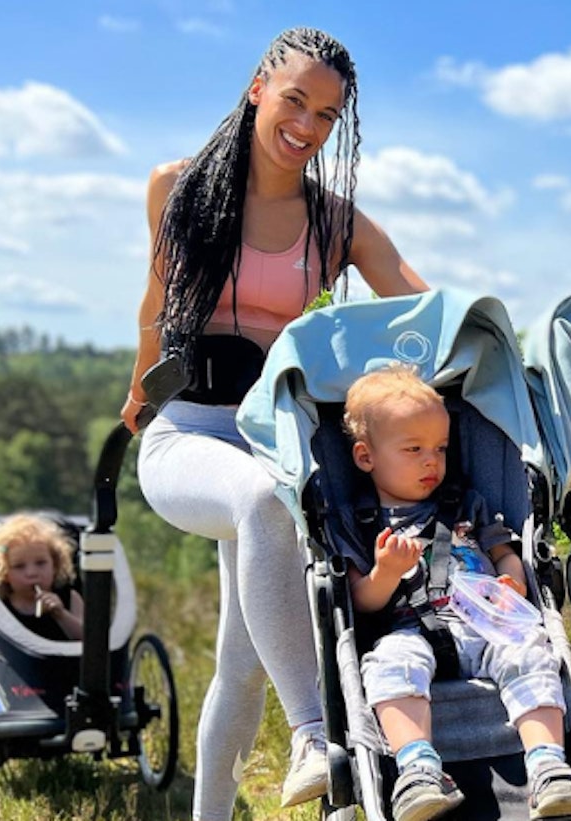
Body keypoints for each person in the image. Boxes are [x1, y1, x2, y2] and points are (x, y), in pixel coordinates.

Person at [120, 28, 429, 820]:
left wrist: (487, 353)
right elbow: (155, 307)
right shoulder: (177, 186)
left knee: (245, 659)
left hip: (272, 441)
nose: (308, 126)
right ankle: (315, 732)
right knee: (262, 503)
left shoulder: (336, 222)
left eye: (327, 115)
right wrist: (135, 397)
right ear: (259, 86)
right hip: (186, 434)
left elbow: (423, 307)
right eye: (295, 100)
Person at [340, 364, 571, 821]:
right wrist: (385, 573)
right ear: (365, 457)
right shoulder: (360, 520)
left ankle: (548, 765)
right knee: (386, 665)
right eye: (413, 449)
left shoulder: (467, 502)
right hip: (408, 629)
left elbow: (503, 552)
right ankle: (417, 768)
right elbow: (361, 602)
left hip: (487, 623)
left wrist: (511, 581)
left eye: (439, 448)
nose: (431, 461)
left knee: (531, 651)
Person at [0, 514, 85, 641]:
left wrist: (61, 615)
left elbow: (87, 640)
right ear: (5, 573)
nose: (31, 573)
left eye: (41, 563)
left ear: (55, 565)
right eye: (19, 566)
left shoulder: (71, 597)